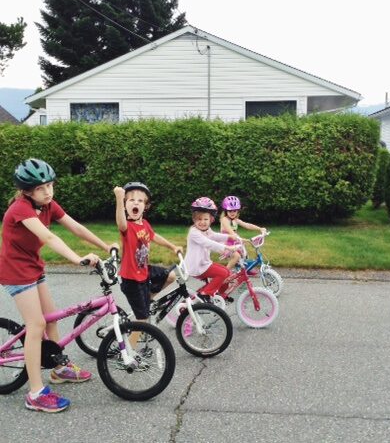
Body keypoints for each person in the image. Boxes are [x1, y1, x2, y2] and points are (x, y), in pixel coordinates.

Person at [0, 158, 118, 413]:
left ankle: (58, 368)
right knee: (37, 324)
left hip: (33, 267)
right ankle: (35, 393)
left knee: (51, 318)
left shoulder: (48, 205)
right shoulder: (20, 209)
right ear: (27, 191)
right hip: (15, 272)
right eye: (42, 188)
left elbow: (75, 227)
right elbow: (48, 236)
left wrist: (105, 245)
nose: (49, 192)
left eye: (51, 185)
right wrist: (77, 259)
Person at [113, 182, 182, 327]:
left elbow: (154, 236)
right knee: (142, 322)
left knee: (171, 276)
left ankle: (147, 300)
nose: (135, 203)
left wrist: (172, 246)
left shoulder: (144, 223)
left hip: (144, 270)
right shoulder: (127, 226)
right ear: (125, 205)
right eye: (131, 200)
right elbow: (120, 222)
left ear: (146, 206)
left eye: (140, 201)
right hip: (131, 279)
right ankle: (130, 349)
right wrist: (119, 199)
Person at [184, 197, 240, 299]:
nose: (202, 222)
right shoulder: (194, 232)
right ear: (194, 219)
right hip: (196, 267)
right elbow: (209, 243)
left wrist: (230, 236)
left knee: (227, 273)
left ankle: (219, 295)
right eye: (199, 219)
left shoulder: (206, 230)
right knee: (223, 273)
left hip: (204, 264)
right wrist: (228, 248)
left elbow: (214, 236)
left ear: (211, 220)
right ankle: (205, 294)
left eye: (206, 219)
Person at [219, 195, 267, 270]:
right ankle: (225, 273)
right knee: (236, 256)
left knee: (244, 255)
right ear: (225, 211)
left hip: (235, 242)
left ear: (238, 211)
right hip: (227, 244)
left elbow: (247, 225)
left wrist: (260, 228)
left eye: (234, 210)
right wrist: (240, 238)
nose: (232, 213)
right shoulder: (224, 220)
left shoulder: (236, 220)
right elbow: (230, 232)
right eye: (230, 211)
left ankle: (244, 270)